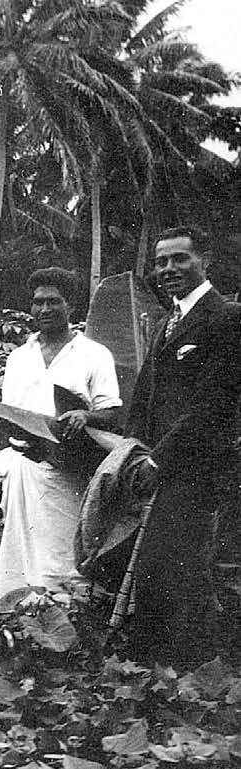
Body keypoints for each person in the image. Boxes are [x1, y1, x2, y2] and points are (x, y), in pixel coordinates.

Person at [123, 226, 241, 666]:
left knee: (173, 567)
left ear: (204, 260)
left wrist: (159, 458)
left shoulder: (225, 318)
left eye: (179, 259)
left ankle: (179, 675)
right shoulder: (164, 323)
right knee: (158, 569)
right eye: (161, 262)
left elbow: (212, 405)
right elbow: (145, 398)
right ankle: (156, 670)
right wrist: (133, 450)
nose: (169, 269)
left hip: (198, 469)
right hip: (157, 465)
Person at [0, 267, 121, 603]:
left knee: (61, 547)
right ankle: (16, 610)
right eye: (38, 302)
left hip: (68, 469)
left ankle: (62, 611)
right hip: (22, 466)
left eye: (53, 302)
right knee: (19, 543)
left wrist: (85, 414)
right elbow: (8, 416)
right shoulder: (19, 357)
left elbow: (114, 413)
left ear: (70, 306)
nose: (44, 309)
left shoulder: (94, 354)